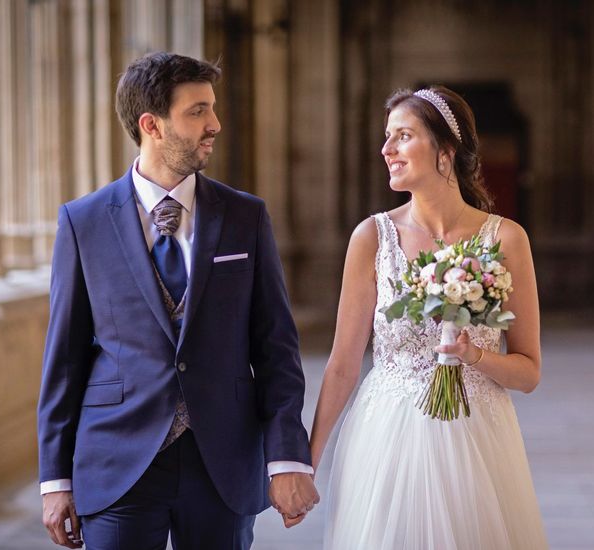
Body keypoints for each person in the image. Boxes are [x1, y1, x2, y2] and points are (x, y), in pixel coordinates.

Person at [37, 52, 318, 550]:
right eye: (197, 111)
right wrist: (55, 478)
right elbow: (64, 359)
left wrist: (287, 458)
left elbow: (275, 348)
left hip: (223, 461)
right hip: (117, 459)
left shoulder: (245, 216)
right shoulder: (84, 222)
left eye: (211, 108)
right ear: (152, 125)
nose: (215, 124)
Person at [309, 85, 548, 549]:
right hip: (385, 439)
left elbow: (529, 373)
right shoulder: (372, 237)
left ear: (445, 152)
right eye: (386, 137)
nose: (387, 149)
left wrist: (472, 354)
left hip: (477, 439)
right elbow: (342, 364)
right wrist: (307, 462)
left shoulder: (507, 240)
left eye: (403, 136)